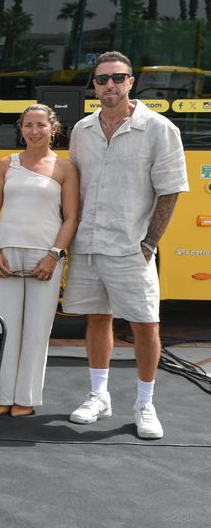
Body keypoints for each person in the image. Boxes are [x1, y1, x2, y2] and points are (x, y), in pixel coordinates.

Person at [65, 51, 188, 439]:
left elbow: (170, 191)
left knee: (145, 325)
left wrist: (149, 243)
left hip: (132, 245)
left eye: (118, 78)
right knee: (97, 319)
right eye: (102, 79)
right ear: (95, 85)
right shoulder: (82, 130)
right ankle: (99, 396)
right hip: (88, 243)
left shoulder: (159, 129)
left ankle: (144, 403)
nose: (110, 85)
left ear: (131, 81)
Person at [0, 105, 79, 416]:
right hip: (6, 257)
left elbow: (71, 217)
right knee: (4, 328)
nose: (34, 131)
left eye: (41, 125)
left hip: (45, 257)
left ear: (54, 129)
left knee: (37, 330)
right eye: (28, 125)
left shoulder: (65, 168)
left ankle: (25, 398)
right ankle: (1, 395)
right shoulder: (5, 164)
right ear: (21, 129)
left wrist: (54, 255)